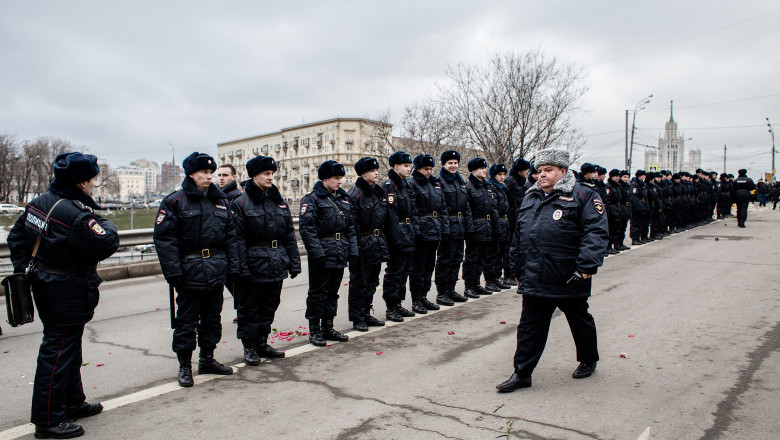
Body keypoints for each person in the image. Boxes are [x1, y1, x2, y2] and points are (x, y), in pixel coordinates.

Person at [8, 152, 119, 438]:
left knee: (68, 347)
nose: (94, 184)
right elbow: (106, 243)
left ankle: (72, 401)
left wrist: (30, 270)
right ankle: (48, 419)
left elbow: (16, 238)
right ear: (82, 182)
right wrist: (104, 222)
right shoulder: (75, 213)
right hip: (66, 287)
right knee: (57, 352)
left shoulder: (39, 202)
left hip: (48, 284)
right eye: (93, 180)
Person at [497, 147, 608, 393]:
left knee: (580, 321)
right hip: (535, 274)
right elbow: (519, 234)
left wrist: (587, 265)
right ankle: (522, 373)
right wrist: (515, 265)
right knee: (529, 326)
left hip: (569, 275)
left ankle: (588, 359)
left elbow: (596, 231)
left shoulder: (583, 195)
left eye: (548, 170)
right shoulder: (530, 197)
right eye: (539, 171)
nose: (542, 175)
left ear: (563, 171)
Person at [154, 152, 239, 387]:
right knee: (186, 321)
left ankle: (207, 359)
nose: (209, 177)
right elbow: (165, 240)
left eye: (211, 173)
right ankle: (184, 366)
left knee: (212, 318)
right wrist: (173, 272)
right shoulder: (175, 201)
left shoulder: (220, 200)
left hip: (216, 268)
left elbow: (230, 237)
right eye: (204, 172)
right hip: (189, 270)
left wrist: (233, 267)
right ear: (191, 174)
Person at [230, 155, 300, 365]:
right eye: (266, 174)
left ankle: (262, 342)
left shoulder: (277, 201)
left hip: (275, 261)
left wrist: (294, 262)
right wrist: (241, 268)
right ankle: (249, 346)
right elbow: (237, 240)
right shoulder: (241, 203)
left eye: (271, 174)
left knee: (270, 305)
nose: (270, 178)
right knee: (250, 308)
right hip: (253, 264)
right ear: (254, 176)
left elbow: (289, 234)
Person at [299, 160, 359, 345]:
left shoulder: (343, 198)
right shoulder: (312, 199)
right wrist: (317, 254)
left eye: (341, 178)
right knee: (318, 292)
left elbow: (349, 227)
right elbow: (307, 230)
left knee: (333, 292)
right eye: (336, 178)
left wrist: (353, 250)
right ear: (325, 178)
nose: (340, 181)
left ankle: (328, 326)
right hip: (323, 252)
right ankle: (314, 330)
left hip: (339, 251)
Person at [347, 157, 389, 331]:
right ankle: (357, 317)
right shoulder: (355, 194)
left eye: (377, 170)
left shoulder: (377, 192)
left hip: (376, 242)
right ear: (363, 173)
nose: (376, 173)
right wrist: (355, 250)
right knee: (359, 283)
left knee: (372, 281)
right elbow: (351, 225)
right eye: (372, 171)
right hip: (363, 243)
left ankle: (366, 312)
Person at [381, 151, 419, 321]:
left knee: (404, 271)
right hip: (398, 235)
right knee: (394, 272)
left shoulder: (405, 185)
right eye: (405, 166)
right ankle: (391, 307)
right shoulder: (389, 186)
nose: (408, 169)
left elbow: (412, 211)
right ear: (396, 166)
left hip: (408, 233)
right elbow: (391, 216)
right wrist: (396, 239)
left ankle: (398, 304)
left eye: (409, 165)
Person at [409, 154, 448, 314]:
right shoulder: (412, 184)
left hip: (434, 229)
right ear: (418, 168)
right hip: (422, 230)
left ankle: (424, 296)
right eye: (426, 169)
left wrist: (444, 227)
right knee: (418, 267)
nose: (429, 172)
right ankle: (416, 299)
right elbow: (412, 210)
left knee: (429, 266)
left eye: (431, 169)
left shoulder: (435, 184)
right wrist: (417, 231)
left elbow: (442, 208)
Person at [434, 150, 472, 306]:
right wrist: (445, 228)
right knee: (445, 260)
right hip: (447, 226)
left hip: (460, 226)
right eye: (450, 163)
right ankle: (441, 292)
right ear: (444, 164)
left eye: (455, 163)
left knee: (456, 259)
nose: (453, 166)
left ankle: (451, 289)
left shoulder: (460, 182)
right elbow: (440, 208)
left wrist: (468, 226)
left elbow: (466, 207)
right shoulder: (440, 182)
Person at [463, 157, 500, 297]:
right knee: (472, 258)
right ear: (473, 170)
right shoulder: (468, 187)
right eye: (481, 168)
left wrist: (496, 228)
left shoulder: (488, 186)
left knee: (482, 257)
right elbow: (467, 211)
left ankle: (477, 284)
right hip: (475, 227)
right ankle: (469, 286)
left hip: (487, 226)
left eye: (485, 168)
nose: (484, 170)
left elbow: (493, 208)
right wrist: (470, 229)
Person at [216, 164, 242, 322]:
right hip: (221, 249)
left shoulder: (235, 197)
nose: (221, 178)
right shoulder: (217, 195)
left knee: (235, 284)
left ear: (233, 177)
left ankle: (243, 311)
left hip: (232, 249)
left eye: (225, 175)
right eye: (219, 175)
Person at [503, 158, 531, 286]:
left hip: (520, 215)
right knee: (509, 247)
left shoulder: (523, 182)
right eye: (526, 169)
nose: (527, 172)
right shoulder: (510, 181)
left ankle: (516, 272)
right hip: (511, 216)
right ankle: (507, 274)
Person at [485, 163, 511, 290]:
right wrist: (496, 228)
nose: (502, 177)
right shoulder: (491, 188)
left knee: (500, 254)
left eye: (504, 174)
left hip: (504, 223)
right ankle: (490, 280)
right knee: (493, 254)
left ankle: (497, 278)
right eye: (500, 174)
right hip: (497, 223)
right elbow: (494, 209)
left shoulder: (502, 188)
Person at [605, 169, 625, 254]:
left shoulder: (617, 186)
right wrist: (612, 210)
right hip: (612, 211)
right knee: (610, 229)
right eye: (616, 176)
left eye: (618, 176)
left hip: (617, 210)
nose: (618, 178)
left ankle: (613, 245)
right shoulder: (609, 186)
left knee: (615, 230)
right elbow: (608, 200)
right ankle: (608, 246)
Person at [629, 170, 650, 245]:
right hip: (636, 208)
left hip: (642, 206)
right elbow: (634, 197)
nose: (645, 176)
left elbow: (645, 196)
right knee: (636, 223)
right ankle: (634, 239)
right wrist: (639, 206)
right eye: (643, 175)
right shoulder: (635, 184)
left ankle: (639, 238)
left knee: (641, 223)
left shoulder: (642, 184)